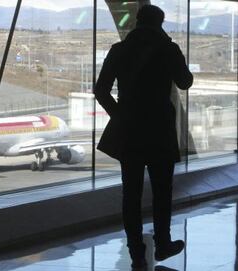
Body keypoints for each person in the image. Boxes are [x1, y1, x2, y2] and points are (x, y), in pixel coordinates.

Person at [94, 4, 193, 270]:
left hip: (130, 131)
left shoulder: (119, 50)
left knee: (131, 193)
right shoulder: (167, 49)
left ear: (137, 22)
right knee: (162, 191)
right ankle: (162, 242)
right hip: (160, 129)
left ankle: (137, 252)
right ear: (160, 23)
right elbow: (185, 82)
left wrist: (120, 115)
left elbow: (100, 90)